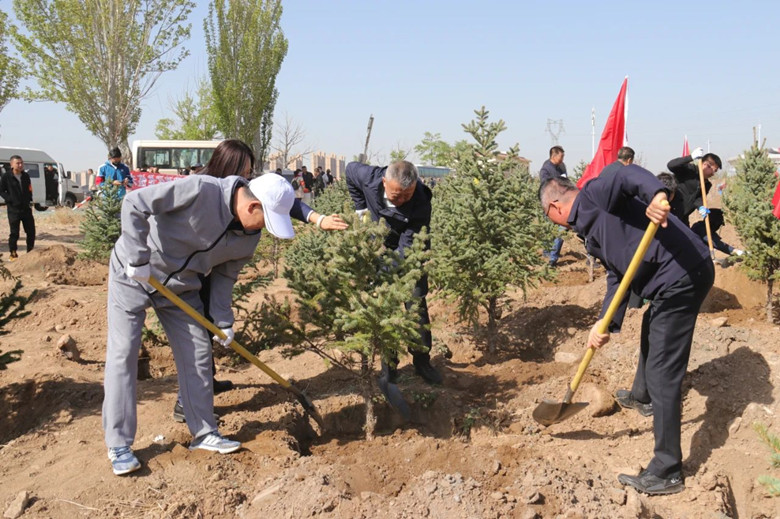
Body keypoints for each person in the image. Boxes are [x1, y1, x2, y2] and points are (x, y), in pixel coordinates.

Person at [103, 172, 305, 475]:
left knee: (198, 353)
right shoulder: (199, 191)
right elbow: (134, 202)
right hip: (132, 274)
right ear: (252, 207)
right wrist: (137, 257)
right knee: (124, 353)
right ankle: (118, 445)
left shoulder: (248, 237)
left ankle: (204, 433)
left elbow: (225, 276)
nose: (264, 230)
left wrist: (224, 321)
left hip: (181, 290)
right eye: (266, 221)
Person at [540, 165, 714, 496]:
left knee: (665, 372)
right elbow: (618, 277)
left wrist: (657, 196)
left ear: (554, 208)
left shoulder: (594, 195)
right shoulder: (590, 232)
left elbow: (625, 175)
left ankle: (667, 469)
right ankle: (640, 395)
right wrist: (604, 322)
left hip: (683, 276)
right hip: (672, 279)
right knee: (652, 326)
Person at [170, 139, 348, 423]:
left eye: (250, 172)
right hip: (186, 268)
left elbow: (282, 202)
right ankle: (186, 402)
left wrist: (317, 218)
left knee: (207, 325)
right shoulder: (204, 190)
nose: (248, 177)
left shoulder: (244, 192)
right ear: (226, 167)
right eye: (245, 170)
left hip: (213, 266)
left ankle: (207, 382)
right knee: (195, 333)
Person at [345, 160, 443, 385]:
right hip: (379, 242)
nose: (401, 201)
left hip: (410, 248)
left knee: (415, 301)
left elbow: (406, 250)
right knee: (383, 305)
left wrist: (386, 272)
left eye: (406, 196)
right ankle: (388, 365)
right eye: (396, 195)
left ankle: (422, 360)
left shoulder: (420, 201)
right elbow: (350, 171)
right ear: (384, 182)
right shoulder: (368, 178)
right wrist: (361, 210)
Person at [667, 147, 722, 226]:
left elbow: (698, 199)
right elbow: (671, 165)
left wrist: (701, 207)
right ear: (706, 165)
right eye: (714, 170)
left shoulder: (707, 184)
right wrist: (691, 157)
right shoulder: (689, 169)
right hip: (669, 213)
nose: (713, 174)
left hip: (683, 219)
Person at [0, 155, 35, 260]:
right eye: (18, 163)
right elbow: (1, 191)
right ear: (12, 164)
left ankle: (30, 252)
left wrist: (29, 198)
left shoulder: (25, 176)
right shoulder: (6, 176)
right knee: (14, 233)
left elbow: (29, 188)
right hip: (13, 209)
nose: (20, 165)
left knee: (31, 231)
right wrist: (9, 199)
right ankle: (13, 254)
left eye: (21, 163)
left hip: (26, 208)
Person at [539, 146, 568, 266]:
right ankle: (549, 254)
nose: (563, 159)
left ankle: (552, 256)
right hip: (550, 204)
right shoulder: (546, 170)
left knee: (561, 229)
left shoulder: (562, 166)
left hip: (561, 202)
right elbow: (546, 187)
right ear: (554, 156)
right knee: (551, 229)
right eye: (561, 157)